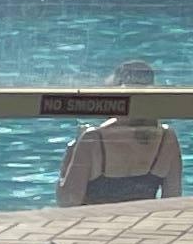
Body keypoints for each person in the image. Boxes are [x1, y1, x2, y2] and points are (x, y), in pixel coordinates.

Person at [55, 69, 181, 208]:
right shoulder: (167, 138)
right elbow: (172, 200)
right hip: (139, 222)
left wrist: (71, 153)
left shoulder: (93, 140)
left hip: (97, 224)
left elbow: (68, 201)